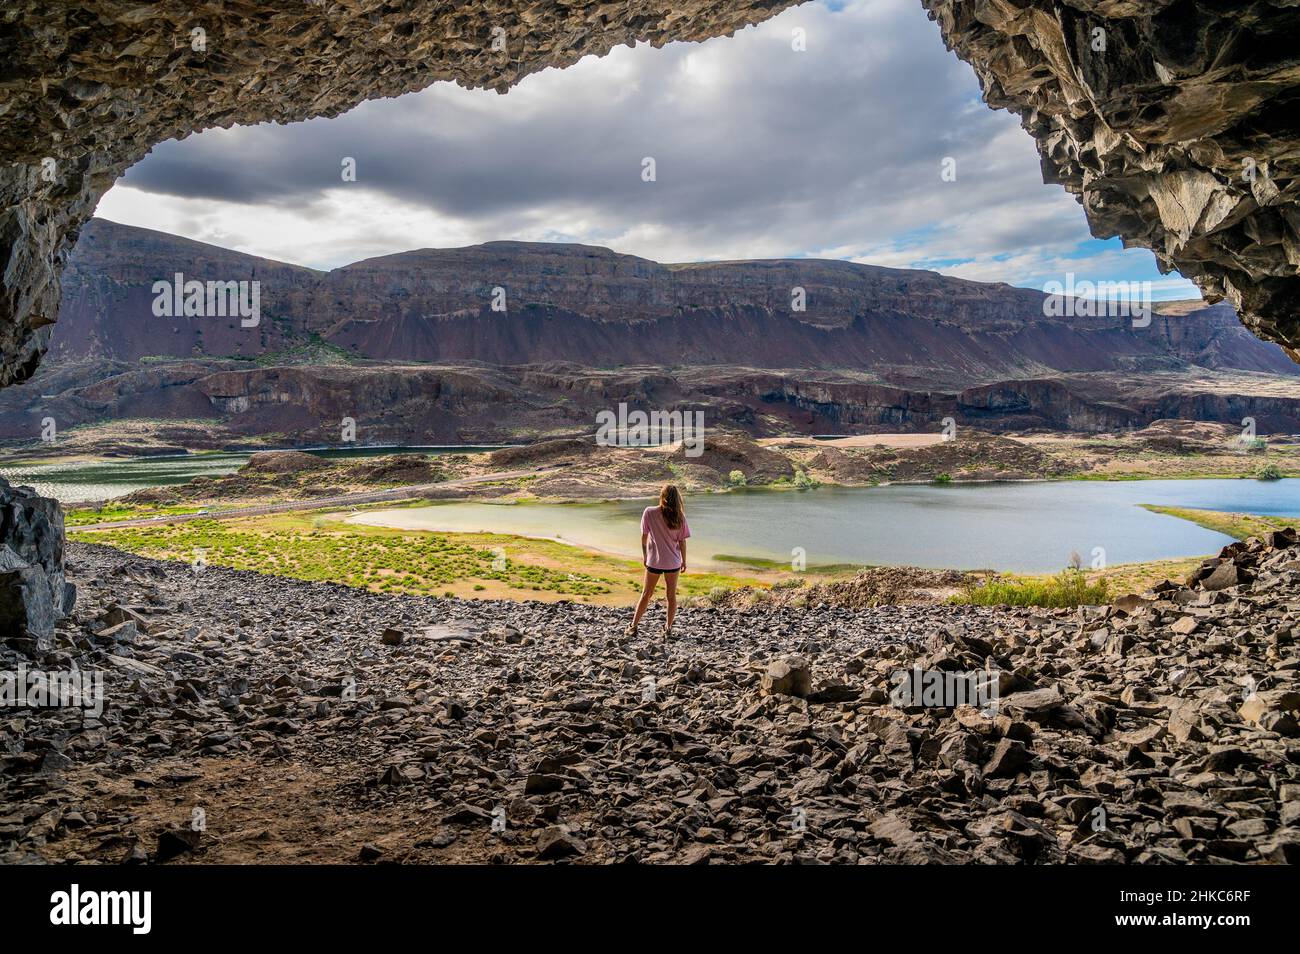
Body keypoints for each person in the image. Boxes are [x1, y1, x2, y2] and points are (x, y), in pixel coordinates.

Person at [627, 483, 690, 637]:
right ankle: (667, 629)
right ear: (677, 499)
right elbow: (682, 541)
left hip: (654, 561)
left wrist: (645, 556)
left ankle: (633, 627)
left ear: (662, 496)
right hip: (673, 563)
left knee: (646, 594)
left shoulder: (649, 512)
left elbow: (644, 537)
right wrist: (684, 561)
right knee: (671, 596)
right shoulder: (680, 517)